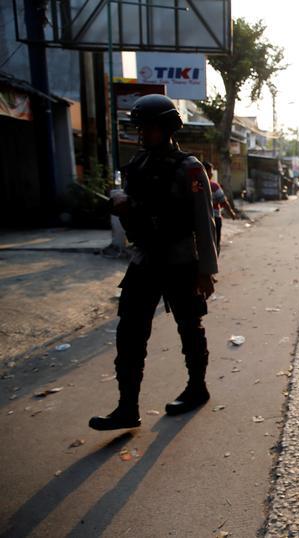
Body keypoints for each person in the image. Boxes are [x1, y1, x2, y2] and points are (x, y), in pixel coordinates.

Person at [89, 94, 218, 431]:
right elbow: (136, 224)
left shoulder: (189, 168)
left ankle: (196, 388)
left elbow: (204, 222)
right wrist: (123, 206)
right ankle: (127, 407)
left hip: (181, 260)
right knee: (129, 332)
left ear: (167, 128)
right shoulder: (137, 166)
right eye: (139, 128)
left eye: (149, 127)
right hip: (145, 259)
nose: (142, 134)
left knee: (190, 326)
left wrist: (206, 270)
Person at [203, 160, 238, 253]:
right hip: (214, 219)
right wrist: (232, 213)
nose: (211, 174)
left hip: (200, 219)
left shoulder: (196, 186)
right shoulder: (214, 186)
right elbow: (223, 202)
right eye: (210, 171)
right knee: (215, 242)